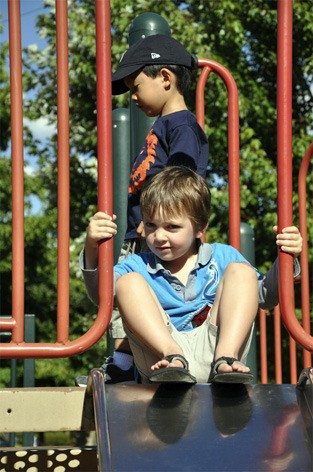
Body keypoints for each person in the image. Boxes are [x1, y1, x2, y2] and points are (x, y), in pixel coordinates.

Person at [80, 166, 302, 385]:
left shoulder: (223, 257)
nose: (158, 236)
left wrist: (287, 257)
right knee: (127, 283)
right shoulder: (138, 265)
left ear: (199, 228)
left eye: (172, 227)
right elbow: (103, 296)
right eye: (150, 225)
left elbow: (265, 295)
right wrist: (92, 247)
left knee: (242, 272)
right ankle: (173, 355)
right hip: (161, 358)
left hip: (216, 350)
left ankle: (227, 358)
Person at [76, 34, 209, 386]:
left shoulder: (181, 125)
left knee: (127, 292)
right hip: (144, 232)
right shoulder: (164, 125)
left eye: (136, 87)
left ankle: (123, 363)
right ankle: (123, 359)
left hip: (157, 233)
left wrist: (162, 220)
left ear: (165, 77)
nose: (133, 97)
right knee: (125, 294)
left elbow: (185, 176)